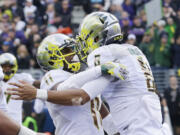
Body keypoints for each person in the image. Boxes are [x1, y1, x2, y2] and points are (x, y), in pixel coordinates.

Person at [7, 12, 171, 135]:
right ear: (51, 57)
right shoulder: (54, 75)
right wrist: (38, 92)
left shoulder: (86, 74)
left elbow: (104, 117)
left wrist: (116, 133)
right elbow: (76, 96)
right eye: (67, 50)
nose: (75, 53)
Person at [0, 53, 37, 124]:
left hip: (15, 121)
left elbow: (38, 84)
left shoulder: (21, 78)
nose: (7, 69)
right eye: (4, 66)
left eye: (10, 66)